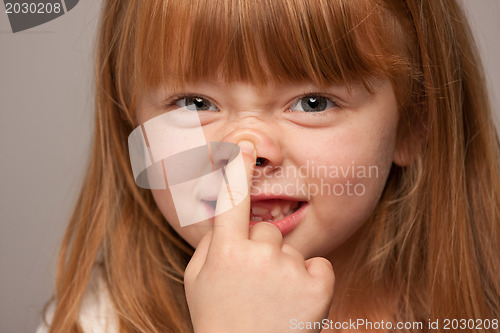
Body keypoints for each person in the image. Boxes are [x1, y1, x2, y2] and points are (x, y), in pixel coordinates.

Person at [38, 0, 500, 332]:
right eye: (194, 102)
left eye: (313, 102)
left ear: (413, 124)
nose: (248, 148)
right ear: (134, 130)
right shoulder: (96, 322)